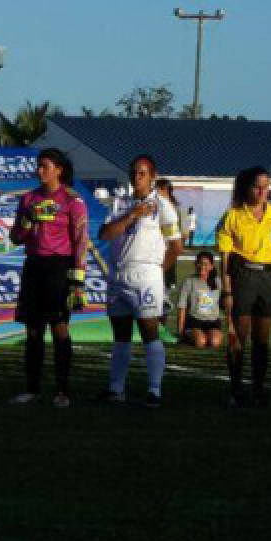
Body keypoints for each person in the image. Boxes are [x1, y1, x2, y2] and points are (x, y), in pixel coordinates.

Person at [96, 155, 182, 408]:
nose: (137, 177)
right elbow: (104, 234)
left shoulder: (162, 206)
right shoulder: (120, 203)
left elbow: (176, 246)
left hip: (146, 276)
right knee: (120, 334)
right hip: (118, 274)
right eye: (134, 172)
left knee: (149, 331)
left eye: (142, 173)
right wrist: (131, 216)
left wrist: (158, 272)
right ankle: (116, 388)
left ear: (152, 176)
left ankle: (154, 390)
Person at [8, 148, 88, 408]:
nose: (39, 170)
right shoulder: (28, 199)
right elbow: (15, 237)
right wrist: (27, 222)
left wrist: (77, 280)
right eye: (38, 166)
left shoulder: (73, 201)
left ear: (59, 170)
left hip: (59, 268)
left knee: (59, 328)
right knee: (33, 330)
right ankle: (32, 388)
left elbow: (80, 241)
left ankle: (62, 391)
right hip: (34, 267)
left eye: (45, 166)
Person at [217, 166, 271, 407]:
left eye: (266, 186)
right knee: (239, 336)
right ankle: (236, 388)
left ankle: (259, 388)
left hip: (269, 279)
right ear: (247, 187)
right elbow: (225, 257)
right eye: (257, 186)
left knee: (262, 339)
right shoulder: (234, 216)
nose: (262, 191)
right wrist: (227, 290)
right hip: (243, 277)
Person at [177, 251, 223, 349]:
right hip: (194, 321)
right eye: (200, 263)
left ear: (211, 266)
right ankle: (190, 335)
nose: (202, 267)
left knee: (214, 342)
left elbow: (226, 304)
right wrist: (180, 331)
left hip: (213, 322)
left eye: (206, 264)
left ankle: (207, 335)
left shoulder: (218, 282)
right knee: (200, 342)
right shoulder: (189, 281)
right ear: (195, 264)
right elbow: (182, 307)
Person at [155, 178, 181, 293]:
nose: (155, 191)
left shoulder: (168, 204)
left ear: (164, 188)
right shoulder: (162, 202)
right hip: (163, 241)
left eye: (157, 188)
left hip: (167, 240)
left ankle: (169, 284)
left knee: (168, 263)